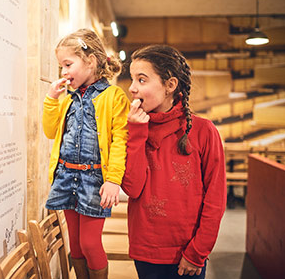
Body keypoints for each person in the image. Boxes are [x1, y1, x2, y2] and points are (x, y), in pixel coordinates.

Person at [121, 45, 226, 279]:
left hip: (187, 253)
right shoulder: (134, 130)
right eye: (132, 79)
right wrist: (136, 133)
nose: (132, 88)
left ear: (170, 85)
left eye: (142, 79)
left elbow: (216, 199)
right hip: (145, 251)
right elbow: (132, 187)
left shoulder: (203, 131)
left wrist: (197, 252)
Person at [42, 28, 130, 278]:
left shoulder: (113, 96)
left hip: (93, 180)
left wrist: (114, 180)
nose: (63, 72)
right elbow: (50, 131)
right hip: (66, 176)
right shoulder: (67, 98)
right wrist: (51, 99)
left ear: (90, 61)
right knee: (77, 246)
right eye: (61, 66)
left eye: (68, 64)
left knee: (91, 244)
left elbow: (120, 141)